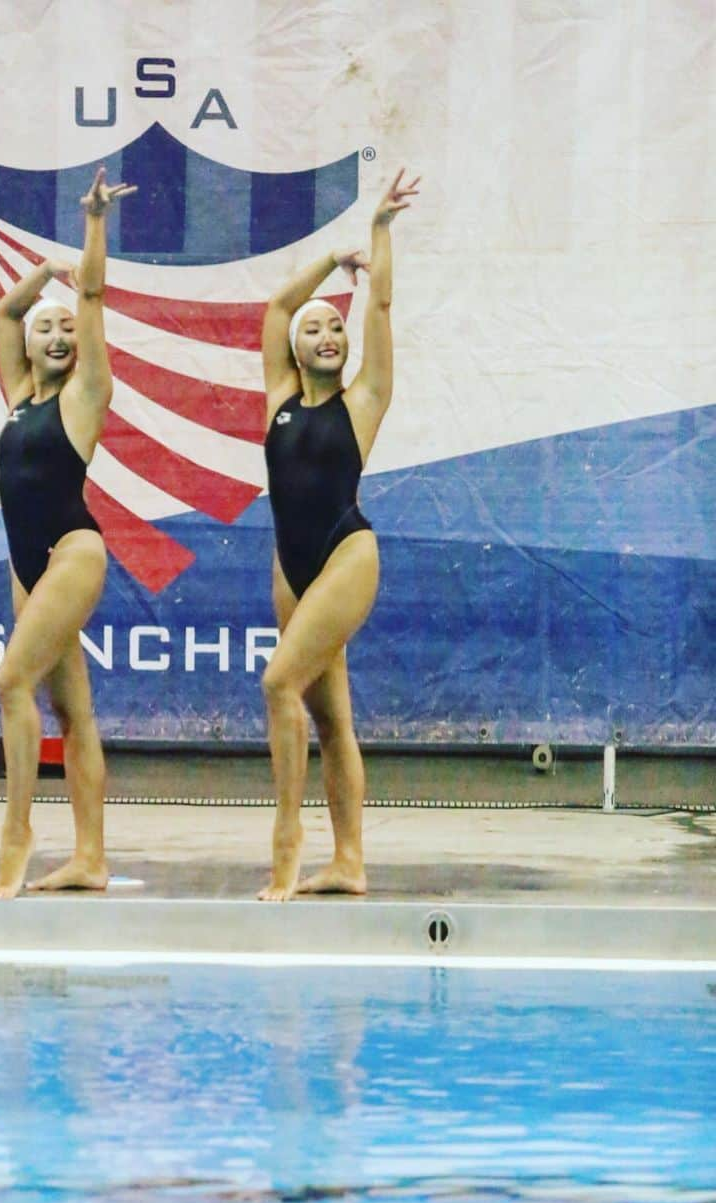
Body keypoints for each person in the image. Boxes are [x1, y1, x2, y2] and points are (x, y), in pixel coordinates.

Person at [257, 168, 420, 901]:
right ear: (296, 350)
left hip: (348, 553)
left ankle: (287, 844)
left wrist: (379, 236)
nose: (327, 332)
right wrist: (331, 261)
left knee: (278, 681)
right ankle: (350, 860)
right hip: (291, 568)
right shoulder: (279, 401)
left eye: (335, 327)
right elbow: (278, 304)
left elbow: (378, 307)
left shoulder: (363, 402)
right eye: (315, 328)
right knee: (331, 717)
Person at [0, 165, 136, 899]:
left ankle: (17, 836)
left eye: (65, 329)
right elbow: (5, 316)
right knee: (72, 712)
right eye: (47, 326)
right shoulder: (19, 395)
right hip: (27, 566)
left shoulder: (85, 394)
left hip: (73, 552)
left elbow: (94, 296)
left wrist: (91, 229)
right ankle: (91, 858)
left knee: (10, 681)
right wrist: (41, 271)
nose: (53, 333)